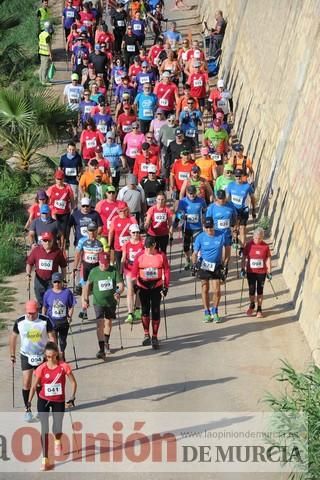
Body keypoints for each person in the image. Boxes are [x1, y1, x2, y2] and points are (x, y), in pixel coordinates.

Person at [27, 341, 77, 471]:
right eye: (48, 357)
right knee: (44, 428)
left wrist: (72, 398)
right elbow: (33, 386)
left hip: (59, 401)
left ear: (57, 355)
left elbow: (73, 383)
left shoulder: (64, 366)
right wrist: (29, 402)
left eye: (53, 356)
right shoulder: (41, 368)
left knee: (57, 426)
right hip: (44, 399)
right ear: (45, 356)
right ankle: (45, 459)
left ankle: (57, 439)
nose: (50, 359)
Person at [9, 300, 55, 422]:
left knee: (40, 383)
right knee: (27, 383)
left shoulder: (45, 320)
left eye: (33, 313)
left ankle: (41, 409)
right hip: (26, 355)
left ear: (38, 311)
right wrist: (12, 355)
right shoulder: (20, 322)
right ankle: (27, 409)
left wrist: (53, 354)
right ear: (26, 311)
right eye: (29, 313)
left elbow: (52, 337)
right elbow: (13, 337)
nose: (31, 315)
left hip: (42, 355)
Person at [83, 251, 124, 358]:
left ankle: (106, 342)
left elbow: (120, 285)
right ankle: (101, 349)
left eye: (106, 263)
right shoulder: (94, 271)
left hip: (111, 302)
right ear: (99, 262)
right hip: (98, 302)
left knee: (108, 322)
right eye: (102, 264)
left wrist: (118, 292)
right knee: (100, 323)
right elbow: (87, 286)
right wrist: (85, 299)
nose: (104, 265)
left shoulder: (113, 270)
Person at [131, 236, 170, 349]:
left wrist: (165, 286)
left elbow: (166, 271)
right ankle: (146, 334)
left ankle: (155, 336)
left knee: (156, 310)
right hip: (143, 285)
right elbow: (134, 272)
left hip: (156, 286)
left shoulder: (161, 256)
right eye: (146, 247)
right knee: (145, 310)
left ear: (154, 245)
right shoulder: (140, 255)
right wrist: (134, 285)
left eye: (149, 247)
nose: (147, 250)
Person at [192, 217, 227, 323]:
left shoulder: (221, 235)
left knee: (217, 290)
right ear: (203, 227)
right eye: (206, 227)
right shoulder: (200, 237)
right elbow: (194, 253)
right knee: (205, 289)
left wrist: (225, 265)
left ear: (214, 226)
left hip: (216, 266)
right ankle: (207, 312)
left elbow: (227, 250)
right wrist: (194, 264)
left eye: (210, 227)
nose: (209, 229)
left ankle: (215, 311)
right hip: (204, 265)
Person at [26, 232, 67, 308]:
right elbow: (29, 263)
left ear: (52, 240)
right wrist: (28, 274)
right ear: (41, 241)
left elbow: (63, 266)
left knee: (51, 301)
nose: (47, 242)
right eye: (45, 240)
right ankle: (42, 315)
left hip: (52, 281)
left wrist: (63, 279)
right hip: (39, 280)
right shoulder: (36, 251)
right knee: (40, 301)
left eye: (49, 240)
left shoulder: (58, 252)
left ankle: (50, 317)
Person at [73, 221, 104, 319]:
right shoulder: (82, 241)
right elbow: (77, 254)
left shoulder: (101, 241)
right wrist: (74, 267)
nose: (92, 233)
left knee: (96, 290)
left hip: (96, 268)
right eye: (90, 231)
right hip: (85, 267)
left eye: (94, 230)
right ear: (87, 231)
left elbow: (103, 257)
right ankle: (84, 310)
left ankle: (99, 309)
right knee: (84, 288)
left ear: (96, 231)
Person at [42, 272, 75, 360]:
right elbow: (44, 307)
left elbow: (71, 306)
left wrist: (70, 316)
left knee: (63, 341)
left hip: (63, 321)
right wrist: (43, 318)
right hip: (51, 321)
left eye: (59, 282)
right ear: (52, 283)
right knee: (53, 341)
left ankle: (62, 352)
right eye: (55, 282)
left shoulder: (67, 292)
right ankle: (56, 357)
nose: (57, 284)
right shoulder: (48, 293)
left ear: (62, 282)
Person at [241, 227, 272, 318]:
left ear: (262, 237)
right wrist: (242, 268)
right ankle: (252, 305)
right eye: (255, 238)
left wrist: (269, 271)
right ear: (253, 236)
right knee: (251, 289)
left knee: (260, 290)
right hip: (251, 272)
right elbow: (244, 257)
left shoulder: (265, 246)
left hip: (261, 272)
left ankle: (259, 308)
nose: (257, 240)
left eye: (259, 238)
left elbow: (268, 259)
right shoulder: (249, 245)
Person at [226, 168, 256, 257]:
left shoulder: (247, 186)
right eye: (236, 176)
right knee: (234, 228)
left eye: (239, 176)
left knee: (242, 229)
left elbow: (252, 198)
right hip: (233, 209)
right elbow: (228, 197)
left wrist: (254, 209)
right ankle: (234, 238)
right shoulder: (230, 185)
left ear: (242, 176)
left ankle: (242, 248)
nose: (238, 178)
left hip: (243, 209)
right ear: (234, 176)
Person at [175, 185, 206, 270]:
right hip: (186, 227)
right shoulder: (182, 202)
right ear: (187, 193)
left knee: (195, 247)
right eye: (190, 193)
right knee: (186, 247)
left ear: (196, 193)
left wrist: (204, 217)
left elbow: (205, 211)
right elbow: (178, 213)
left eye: (193, 193)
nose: (192, 195)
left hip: (197, 228)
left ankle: (194, 263)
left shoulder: (201, 201)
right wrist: (181, 216)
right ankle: (188, 260)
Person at [206, 189, 237, 267]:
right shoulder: (211, 207)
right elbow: (207, 221)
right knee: (217, 253)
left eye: (223, 198)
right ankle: (218, 267)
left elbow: (235, 217)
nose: (222, 200)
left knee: (227, 251)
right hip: (216, 234)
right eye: (220, 198)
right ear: (216, 198)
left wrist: (235, 228)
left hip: (227, 233)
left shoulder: (230, 205)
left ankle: (225, 267)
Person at [121, 224, 144, 323]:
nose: (136, 234)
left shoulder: (142, 243)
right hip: (129, 269)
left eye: (137, 232)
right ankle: (130, 313)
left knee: (138, 290)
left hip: (139, 270)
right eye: (134, 232)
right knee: (130, 291)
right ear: (130, 233)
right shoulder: (126, 244)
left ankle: (137, 309)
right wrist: (121, 271)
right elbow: (123, 257)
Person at [47, 170, 75, 252]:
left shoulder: (68, 187)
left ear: (63, 179)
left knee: (63, 232)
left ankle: (62, 250)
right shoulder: (51, 188)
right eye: (58, 179)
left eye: (61, 179)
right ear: (55, 179)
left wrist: (73, 210)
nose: (59, 181)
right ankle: (55, 247)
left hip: (65, 213)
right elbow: (46, 200)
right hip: (54, 214)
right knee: (56, 232)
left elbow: (72, 200)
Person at [108, 201, 138, 270]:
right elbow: (111, 232)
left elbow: (136, 232)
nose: (123, 212)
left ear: (127, 209)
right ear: (118, 211)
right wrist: (109, 244)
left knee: (129, 265)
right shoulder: (115, 219)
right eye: (121, 211)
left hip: (129, 246)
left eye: (125, 210)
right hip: (118, 247)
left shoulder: (132, 219)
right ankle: (120, 279)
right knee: (119, 265)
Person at [38, 21, 53, 86]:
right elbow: (48, 46)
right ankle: (44, 81)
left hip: (41, 52)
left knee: (42, 67)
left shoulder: (41, 34)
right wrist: (51, 54)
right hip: (46, 53)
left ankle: (41, 79)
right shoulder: (47, 36)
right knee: (46, 67)